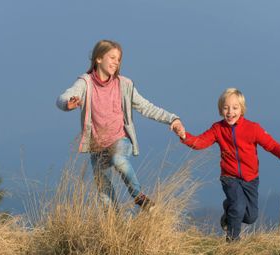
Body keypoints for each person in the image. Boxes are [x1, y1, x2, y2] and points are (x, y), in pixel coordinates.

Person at [56, 40, 184, 212]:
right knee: (104, 194)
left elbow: (146, 107)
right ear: (98, 59)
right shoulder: (85, 83)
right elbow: (64, 97)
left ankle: (139, 197)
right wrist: (67, 103)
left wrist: (172, 119)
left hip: (120, 140)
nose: (116, 62)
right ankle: (115, 227)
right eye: (112, 57)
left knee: (119, 160)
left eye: (119, 59)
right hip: (97, 146)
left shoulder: (124, 85)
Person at [174, 88, 280, 241]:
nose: (230, 112)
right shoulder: (218, 129)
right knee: (238, 207)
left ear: (242, 109)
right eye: (226, 108)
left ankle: (228, 211)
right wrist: (184, 136)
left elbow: (271, 145)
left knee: (251, 216)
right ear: (220, 110)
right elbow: (200, 143)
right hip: (229, 177)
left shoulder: (253, 128)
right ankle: (233, 242)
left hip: (251, 178)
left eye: (235, 107)